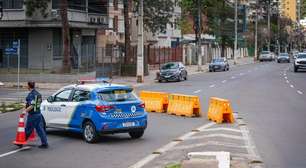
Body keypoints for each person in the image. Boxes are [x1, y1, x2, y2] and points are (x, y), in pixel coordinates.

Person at [20, 81, 48, 148]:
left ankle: (20, 142)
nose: (27, 87)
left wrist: (25, 111)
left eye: (27, 85)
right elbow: (33, 103)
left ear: (29, 86)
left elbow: (32, 105)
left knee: (28, 129)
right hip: (38, 113)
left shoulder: (31, 95)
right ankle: (45, 143)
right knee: (40, 129)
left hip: (33, 115)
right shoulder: (38, 94)